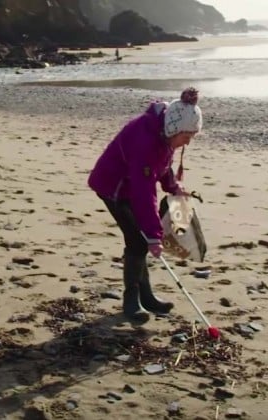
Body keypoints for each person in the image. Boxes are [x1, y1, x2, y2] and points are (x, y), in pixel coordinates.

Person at [88, 87, 202, 323]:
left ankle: (146, 297)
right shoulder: (146, 141)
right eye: (186, 136)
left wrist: (173, 187)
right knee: (138, 241)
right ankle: (132, 301)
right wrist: (154, 236)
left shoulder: (163, 133)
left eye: (191, 137)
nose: (188, 142)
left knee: (140, 242)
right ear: (174, 129)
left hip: (132, 184)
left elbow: (163, 164)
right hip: (113, 188)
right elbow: (144, 191)